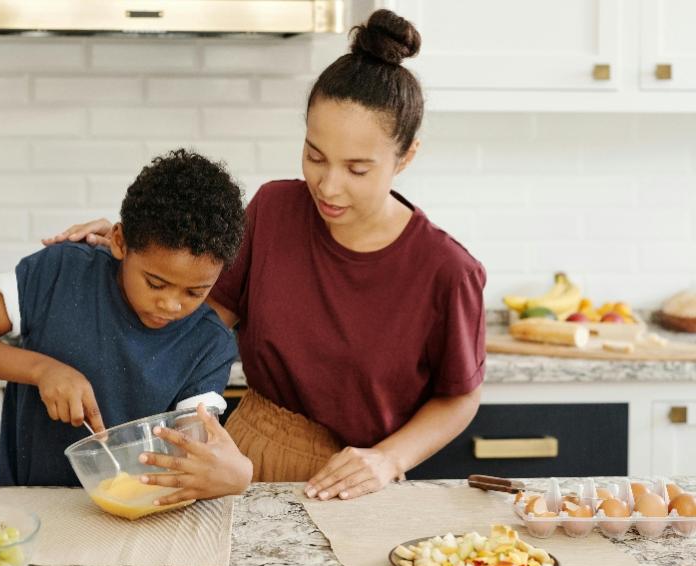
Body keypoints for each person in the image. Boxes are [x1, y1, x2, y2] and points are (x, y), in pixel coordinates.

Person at [44, 9, 485, 502]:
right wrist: (133, 250)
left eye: (357, 169)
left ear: (407, 157)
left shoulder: (447, 271)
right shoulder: (274, 210)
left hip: (357, 482)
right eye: (315, 156)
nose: (328, 186)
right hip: (247, 454)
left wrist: (389, 459)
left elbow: (459, 396)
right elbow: (197, 312)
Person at [0, 149, 253, 502]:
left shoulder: (208, 342)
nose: (171, 305)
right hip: (23, 501)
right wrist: (42, 370)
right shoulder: (60, 273)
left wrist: (226, 469)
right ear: (119, 241)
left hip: (134, 517)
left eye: (195, 291)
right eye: (155, 283)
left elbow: (194, 443)